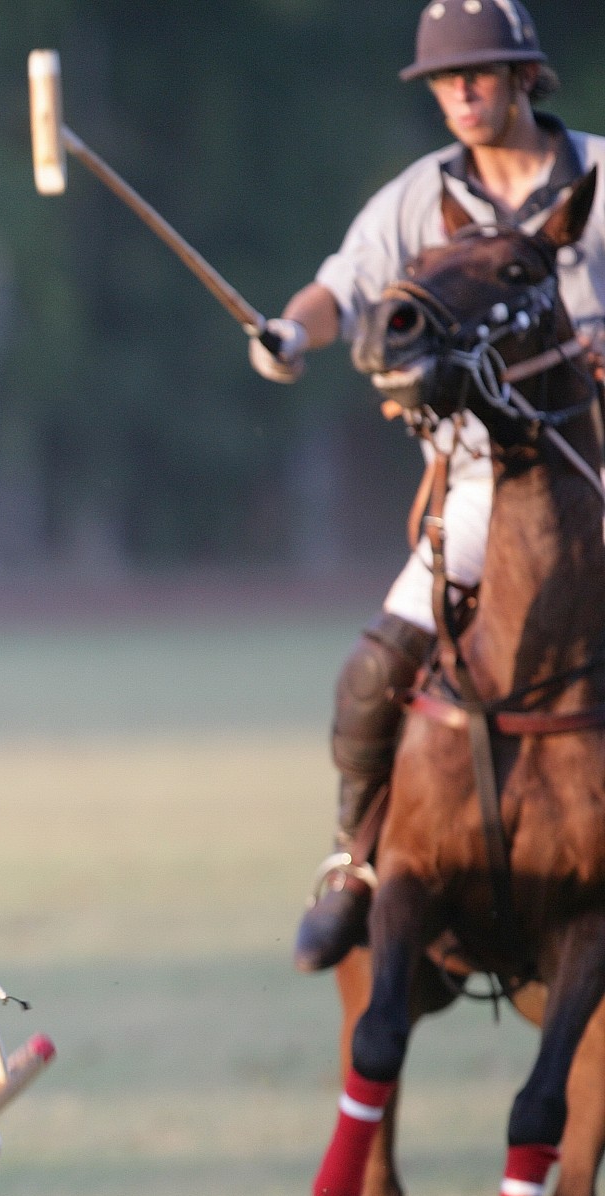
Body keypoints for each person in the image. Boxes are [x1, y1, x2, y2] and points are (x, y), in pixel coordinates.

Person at [255, 0, 605, 970]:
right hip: (478, 497)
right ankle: (352, 867)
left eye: (479, 74)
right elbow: (344, 288)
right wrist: (292, 333)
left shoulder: (602, 177)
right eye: (445, 80)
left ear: (526, 76)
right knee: (371, 675)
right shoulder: (424, 196)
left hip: (601, 483)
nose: (460, 92)